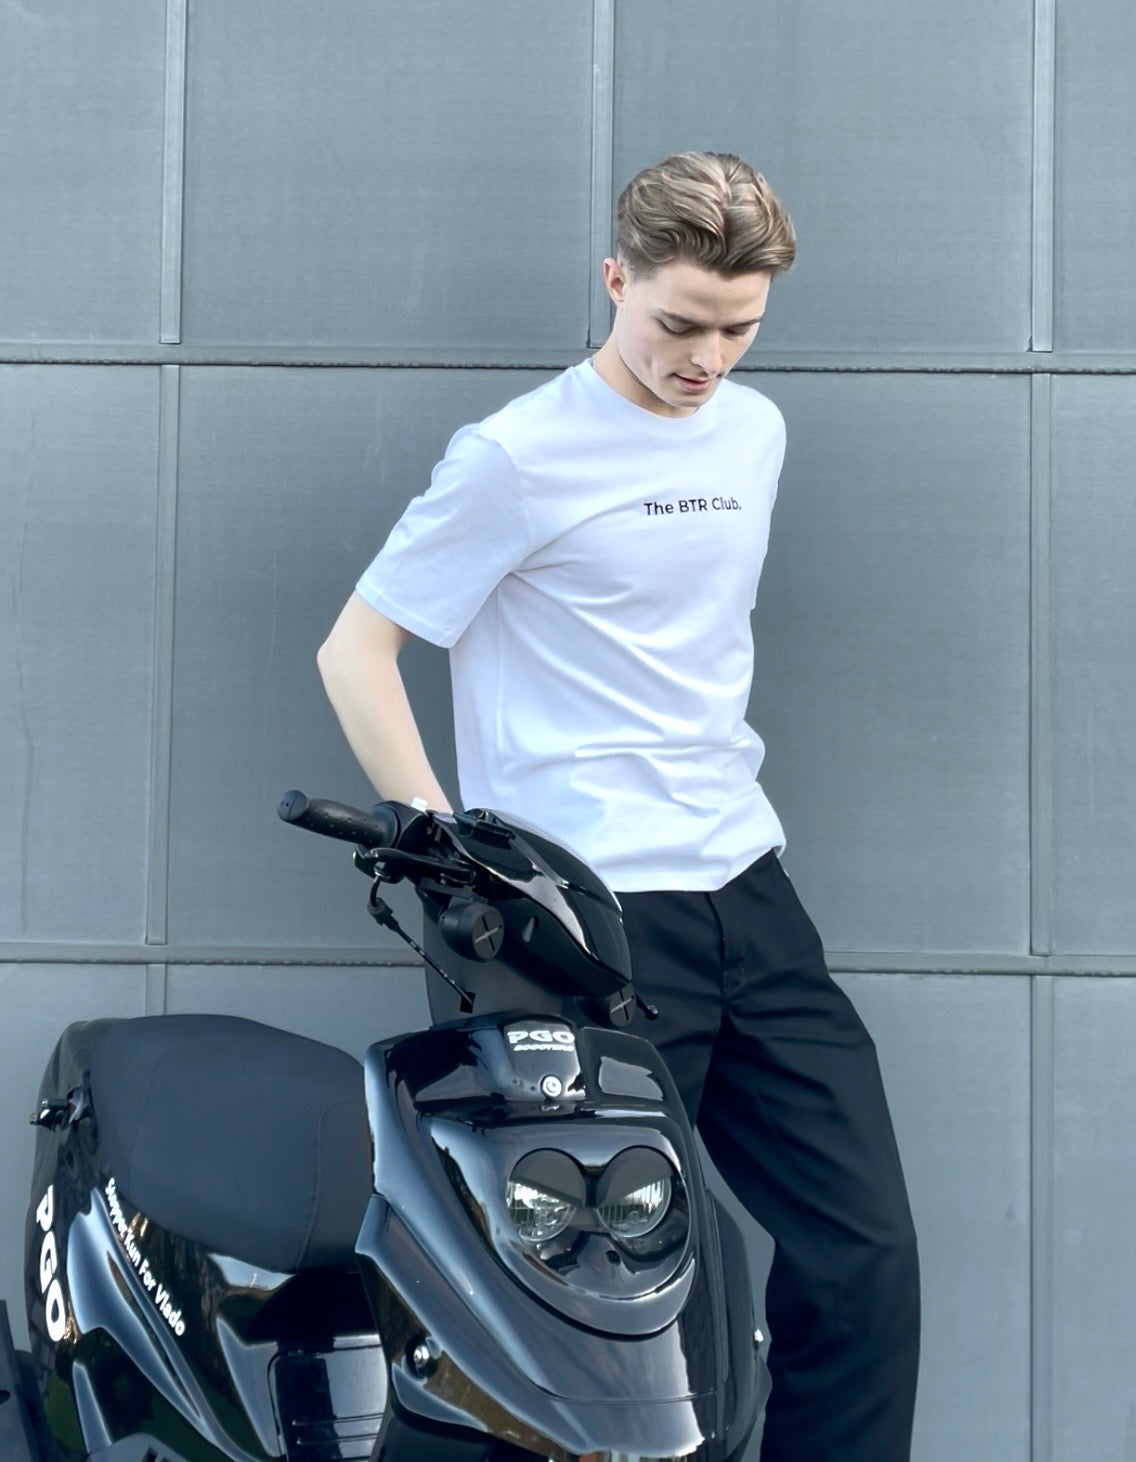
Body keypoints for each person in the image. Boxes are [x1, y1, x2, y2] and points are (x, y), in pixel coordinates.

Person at [318, 150, 920, 1461]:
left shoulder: (754, 433)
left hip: (744, 891)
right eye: (679, 323)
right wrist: (454, 857)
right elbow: (357, 651)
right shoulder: (515, 457)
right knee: (592, 1307)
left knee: (863, 1256)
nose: (706, 359)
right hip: (577, 922)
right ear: (614, 280)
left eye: (738, 329)